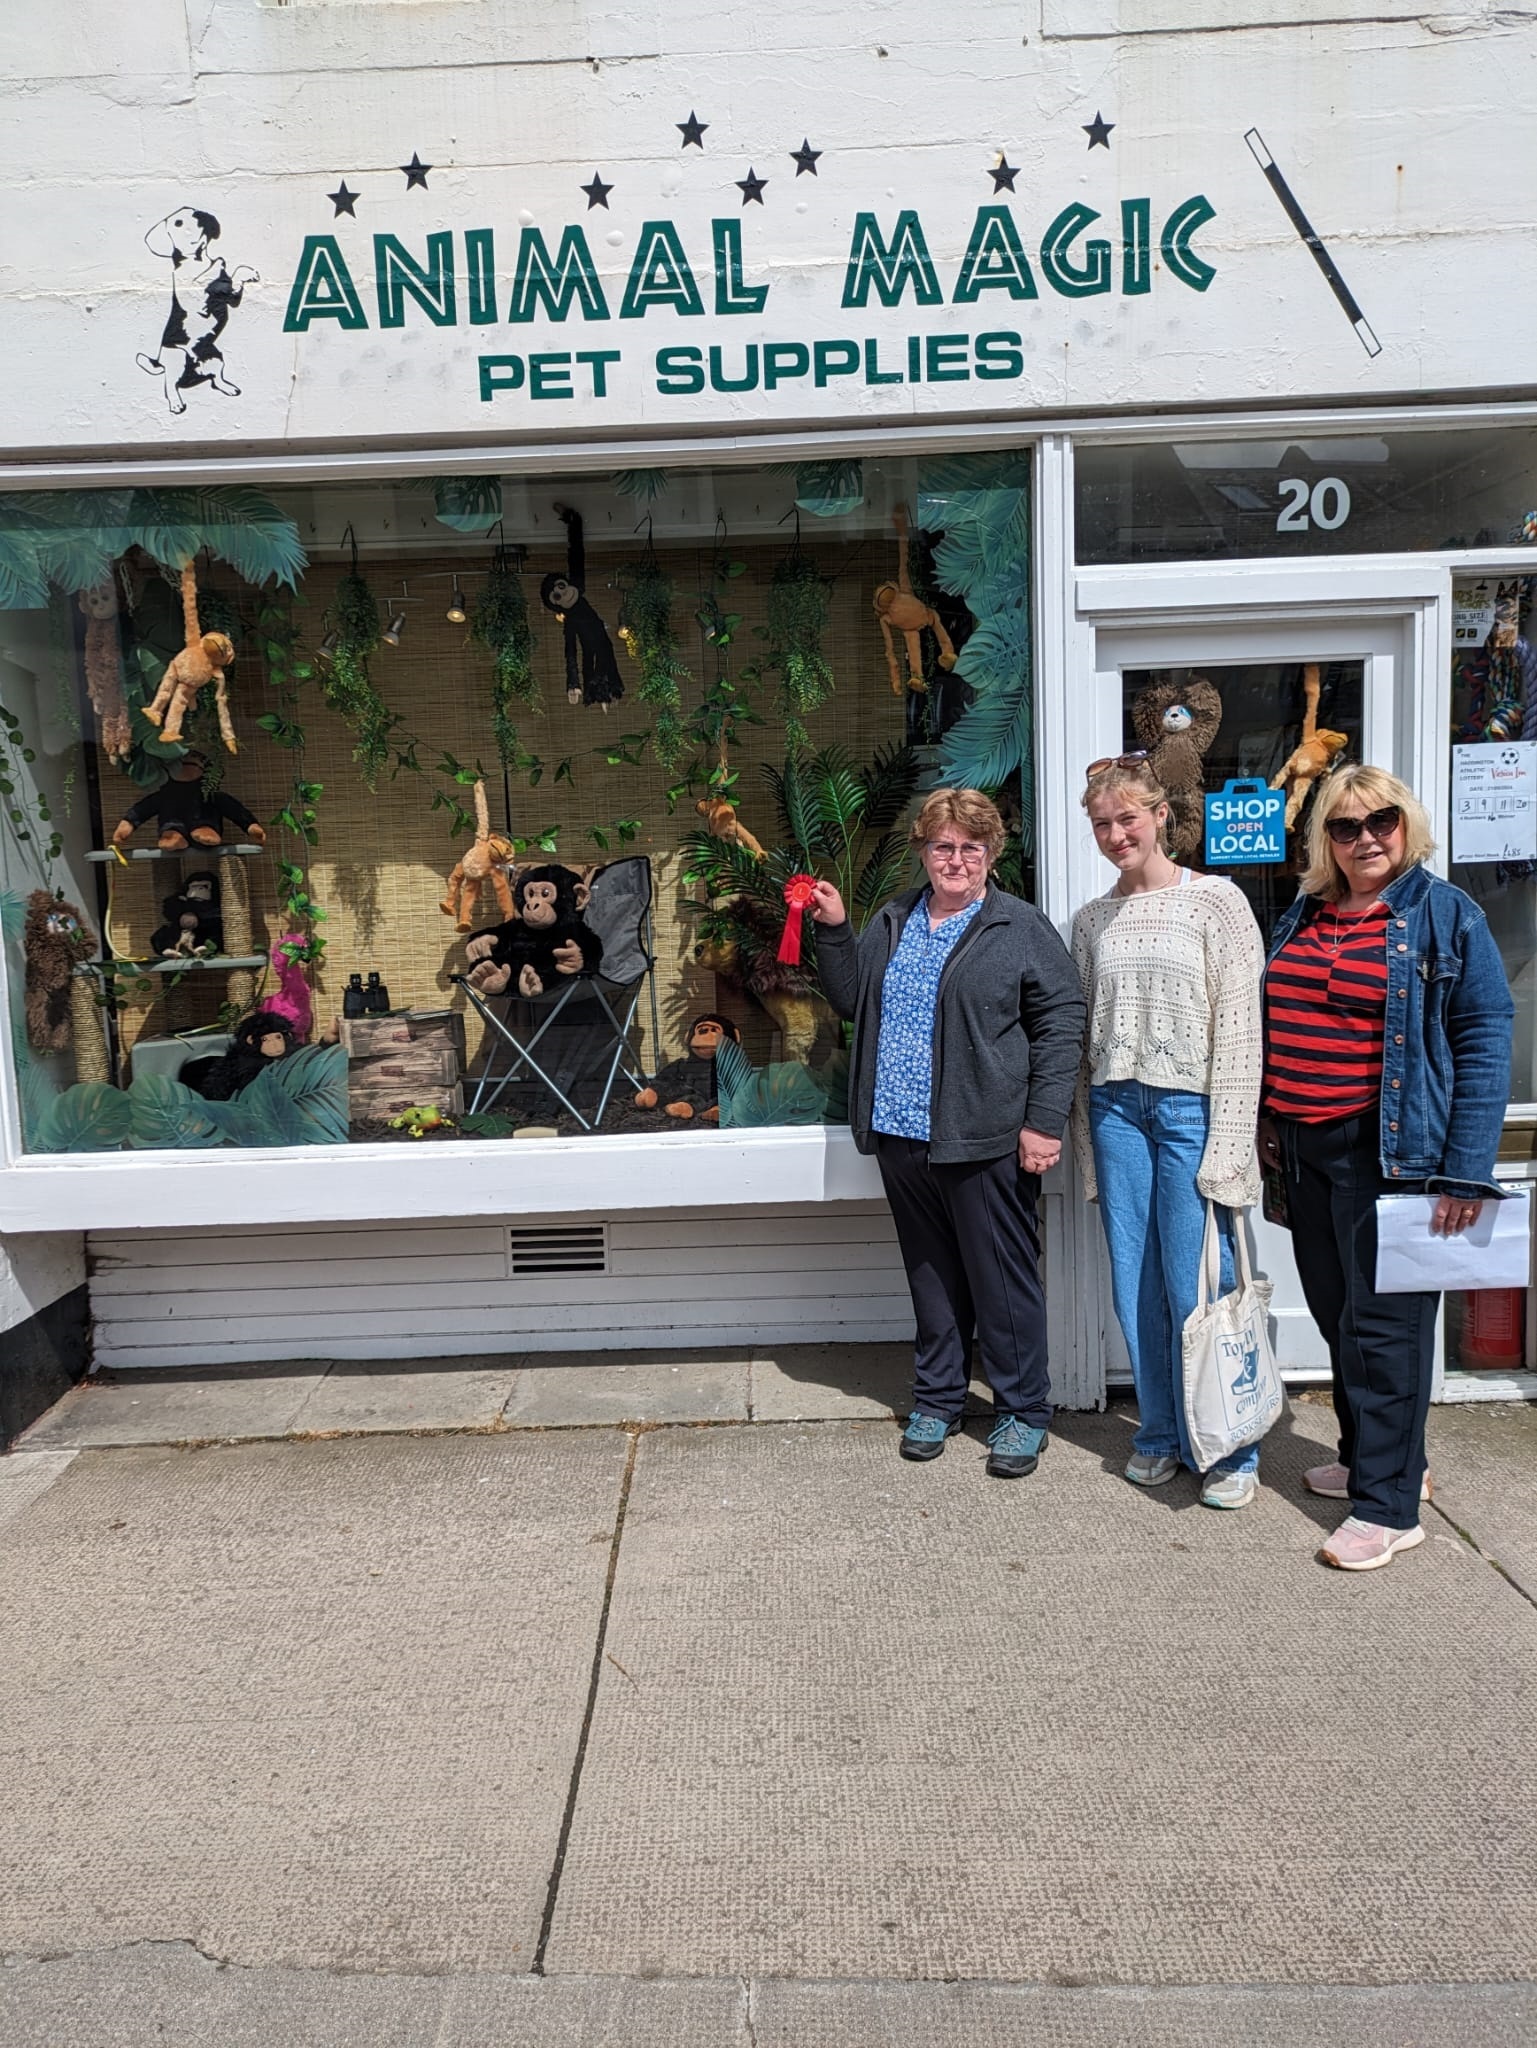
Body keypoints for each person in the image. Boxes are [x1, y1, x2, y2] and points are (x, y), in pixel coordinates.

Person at [1258, 764, 1513, 1571]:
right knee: (1340, 1317)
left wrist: (1463, 1170)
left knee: (1386, 1332)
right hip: (1305, 1150)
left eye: (1381, 823)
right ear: (1323, 838)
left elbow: (1483, 1039)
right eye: (1344, 826)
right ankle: (1376, 1461)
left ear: (1406, 827)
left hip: (1391, 1155)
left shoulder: (1444, 915)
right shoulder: (1306, 913)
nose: (1364, 838)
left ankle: (1389, 1508)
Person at [811, 788, 1085, 1478]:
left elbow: (1060, 1025)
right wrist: (837, 928)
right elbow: (852, 1000)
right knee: (930, 1277)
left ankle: (1023, 1411)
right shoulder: (897, 917)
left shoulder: (1017, 926)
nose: (955, 859)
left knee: (1000, 1279)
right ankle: (937, 1399)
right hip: (900, 1133)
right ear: (922, 851)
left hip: (984, 1134)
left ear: (991, 854)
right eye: (941, 845)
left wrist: (1042, 1122)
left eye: (970, 846)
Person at [1070, 755, 1265, 1508]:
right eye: (1101, 824)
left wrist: (1227, 1146)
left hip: (1190, 1113)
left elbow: (1242, 1033)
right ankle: (1156, 1433)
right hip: (1116, 1111)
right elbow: (1084, 1042)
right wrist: (1089, 1148)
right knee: (1133, 1284)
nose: (1116, 833)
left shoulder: (1216, 902)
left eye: (1127, 818)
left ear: (1159, 816)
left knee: (1199, 1283)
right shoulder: (1090, 922)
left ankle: (1222, 1445)